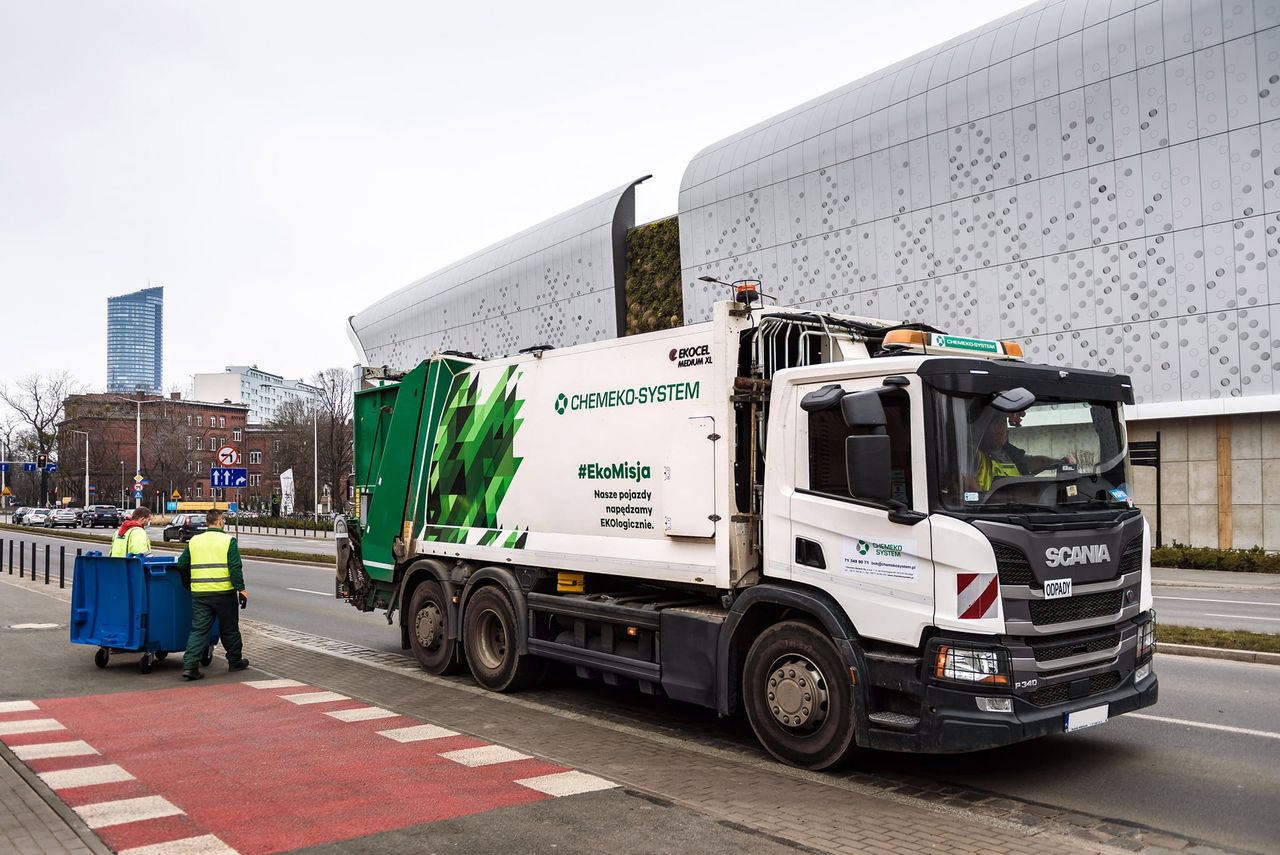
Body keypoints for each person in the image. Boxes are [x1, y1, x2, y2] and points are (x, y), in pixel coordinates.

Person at [177, 508, 249, 680]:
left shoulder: (195, 541)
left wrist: (188, 583)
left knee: (199, 630)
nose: (224, 522)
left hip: (200, 594)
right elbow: (235, 567)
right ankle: (234, 661)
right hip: (224, 593)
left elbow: (182, 564)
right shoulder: (228, 541)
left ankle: (190, 666)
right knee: (229, 629)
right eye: (223, 519)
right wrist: (241, 589)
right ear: (218, 521)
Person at [969, 412, 1074, 492]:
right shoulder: (972, 452)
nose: (1001, 429)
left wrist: (1060, 462)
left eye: (1003, 423)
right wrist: (983, 503)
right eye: (996, 423)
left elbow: (1034, 462)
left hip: (1017, 506)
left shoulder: (1009, 453)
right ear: (983, 427)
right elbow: (965, 480)